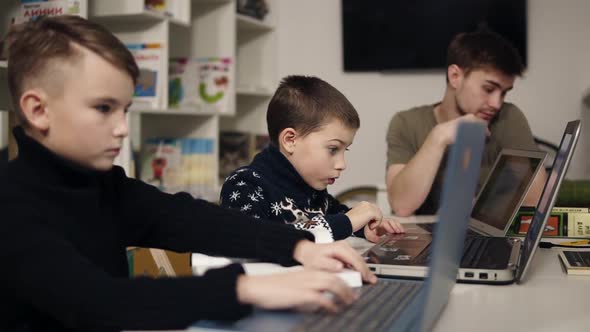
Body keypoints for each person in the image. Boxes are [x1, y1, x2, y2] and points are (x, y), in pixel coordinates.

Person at [0, 16, 377, 332]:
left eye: (125, 110)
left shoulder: (104, 185)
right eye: (103, 108)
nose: (122, 128)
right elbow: (96, 301)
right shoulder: (11, 204)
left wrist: (299, 247)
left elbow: (191, 219)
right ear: (38, 110)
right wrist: (246, 288)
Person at [220, 75, 404, 243]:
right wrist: (348, 222)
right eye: (333, 149)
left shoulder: (312, 189)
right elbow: (256, 240)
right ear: (290, 140)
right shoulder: (245, 184)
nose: (342, 164)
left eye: (344, 150)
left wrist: (365, 228)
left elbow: (335, 216)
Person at [385, 29, 546, 217]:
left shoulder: (508, 117)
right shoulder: (406, 122)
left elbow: (537, 197)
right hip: (428, 239)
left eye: (504, 92)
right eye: (488, 89)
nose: (496, 103)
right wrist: (438, 137)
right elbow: (402, 206)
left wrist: (473, 209)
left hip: (484, 238)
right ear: (455, 76)